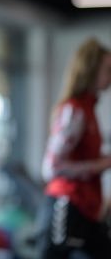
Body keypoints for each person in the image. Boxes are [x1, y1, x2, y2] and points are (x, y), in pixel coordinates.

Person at [37, 38, 111, 259]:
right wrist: (104, 163)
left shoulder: (88, 109)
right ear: (90, 70)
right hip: (66, 208)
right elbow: (51, 167)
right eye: (108, 69)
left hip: (86, 209)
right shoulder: (74, 111)